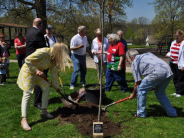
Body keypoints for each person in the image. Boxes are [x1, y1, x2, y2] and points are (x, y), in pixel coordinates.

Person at [17, 42, 71, 131]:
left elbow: (54, 74)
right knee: (27, 93)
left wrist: (57, 87)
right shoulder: (44, 52)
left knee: (46, 88)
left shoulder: (54, 58)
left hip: (39, 74)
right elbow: (27, 60)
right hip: (28, 71)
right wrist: (35, 70)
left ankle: (44, 111)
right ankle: (24, 119)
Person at [126, 49, 177, 118]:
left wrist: (134, 94)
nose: (128, 61)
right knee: (160, 93)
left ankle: (141, 114)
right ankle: (172, 113)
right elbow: (150, 67)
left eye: (127, 59)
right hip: (168, 71)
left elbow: (137, 83)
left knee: (140, 90)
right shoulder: (148, 54)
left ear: (131, 57)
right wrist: (151, 84)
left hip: (156, 73)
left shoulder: (135, 62)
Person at [26, 18, 47, 109]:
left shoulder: (29, 32)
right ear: (40, 25)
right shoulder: (38, 33)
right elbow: (43, 48)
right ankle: (37, 102)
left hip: (30, 59)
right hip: (37, 61)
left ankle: (38, 100)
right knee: (39, 81)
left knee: (36, 81)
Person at [69, 26, 93, 90]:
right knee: (76, 70)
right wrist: (79, 47)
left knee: (84, 70)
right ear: (81, 31)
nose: (86, 31)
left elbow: (87, 47)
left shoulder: (85, 37)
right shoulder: (75, 38)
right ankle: (72, 84)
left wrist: (90, 54)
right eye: (85, 30)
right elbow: (71, 48)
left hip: (83, 56)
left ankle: (83, 82)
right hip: (76, 56)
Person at [166, 29, 184, 97]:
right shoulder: (173, 42)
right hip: (172, 62)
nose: (176, 37)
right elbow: (171, 51)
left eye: (177, 36)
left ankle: (180, 92)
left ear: (181, 36)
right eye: (175, 36)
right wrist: (168, 54)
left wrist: (183, 65)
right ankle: (177, 91)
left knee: (181, 78)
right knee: (175, 77)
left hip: (180, 64)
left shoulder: (183, 44)